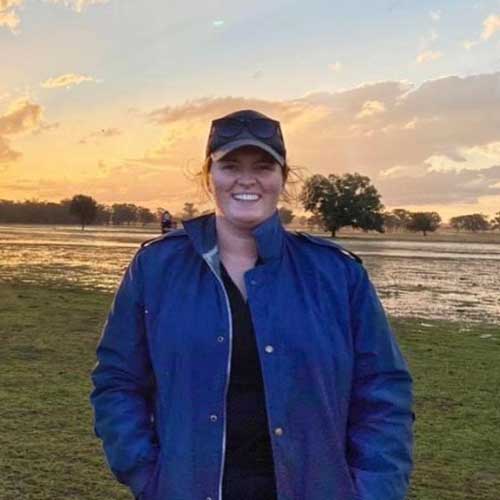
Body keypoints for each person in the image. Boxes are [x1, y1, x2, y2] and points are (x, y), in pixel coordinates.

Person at [90, 109, 415, 500]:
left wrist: (375, 490)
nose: (247, 179)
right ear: (209, 177)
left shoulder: (337, 273)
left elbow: (382, 391)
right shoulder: (156, 267)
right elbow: (117, 381)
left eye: (263, 166)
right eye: (230, 165)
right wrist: (144, 472)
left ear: (283, 178)